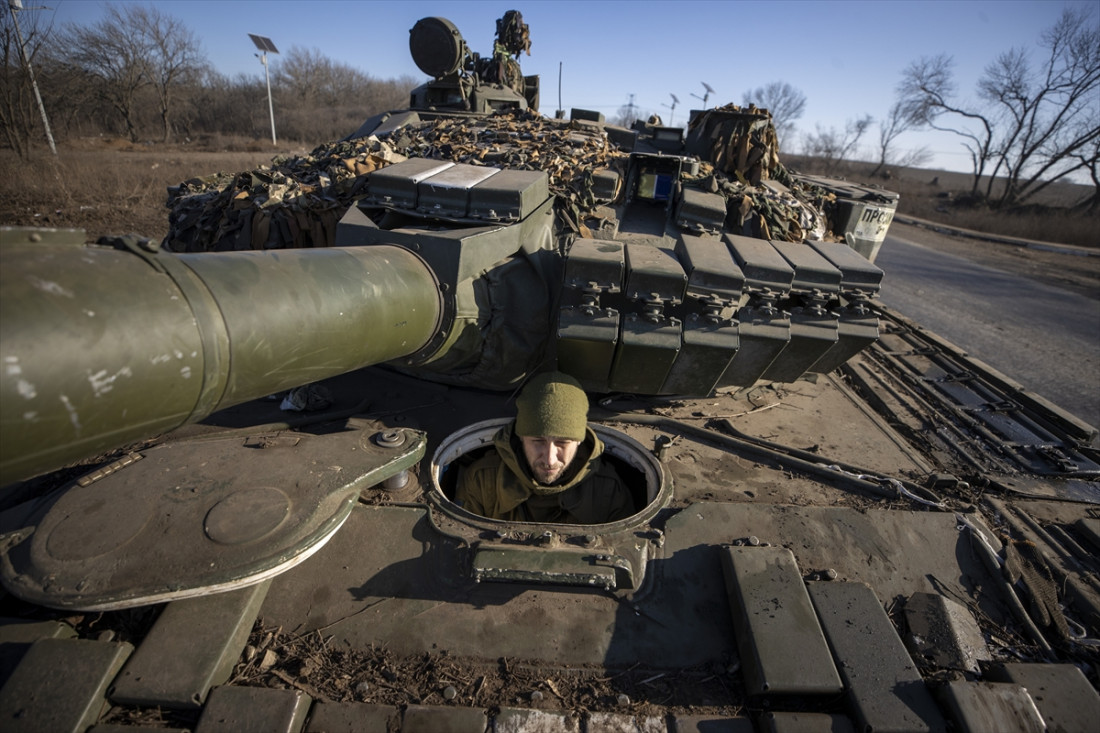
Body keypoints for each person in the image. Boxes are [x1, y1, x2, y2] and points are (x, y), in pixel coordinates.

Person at [454, 371, 635, 523]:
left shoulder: (608, 491)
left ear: (579, 441)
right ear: (521, 437)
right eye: (538, 441)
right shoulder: (483, 481)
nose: (549, 459)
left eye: (562, 442)